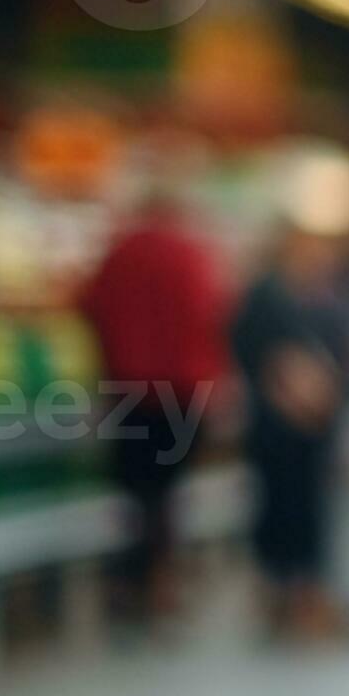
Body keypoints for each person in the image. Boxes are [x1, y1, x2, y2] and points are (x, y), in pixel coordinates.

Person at [77, 171, 227, 623]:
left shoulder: (120, 251)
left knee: (135, 491)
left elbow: (89, 307)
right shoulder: (192, 254)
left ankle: (129, 580)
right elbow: (212, 318)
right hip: (183, 392)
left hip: (128, 390)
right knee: (167, 493)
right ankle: (161, 580)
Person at [228, 226, 349, 641]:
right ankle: (282, 594)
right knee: (281, 510)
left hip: (311, 431)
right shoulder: (268, 299)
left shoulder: (319, 299)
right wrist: (293, 395)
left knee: (308, 512)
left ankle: (303, 593)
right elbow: (259, 357)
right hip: (278, 429)